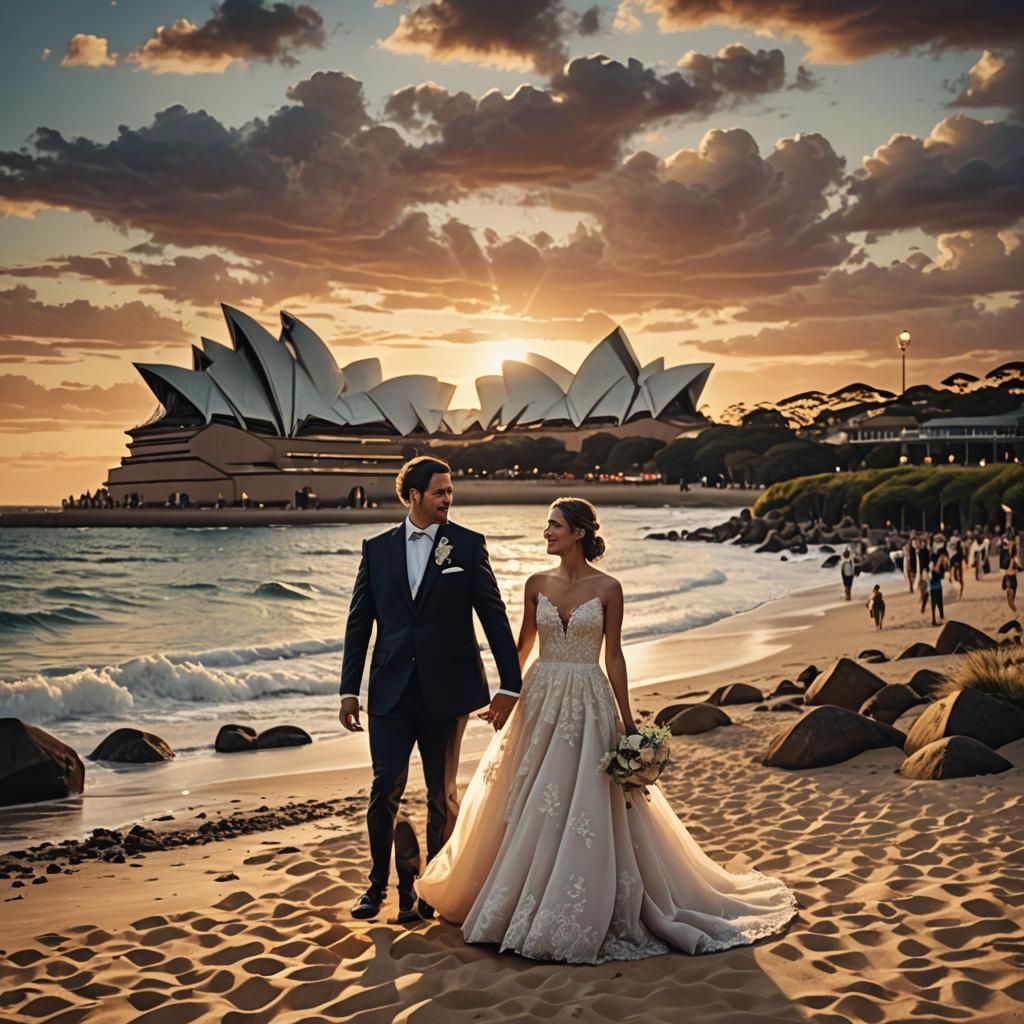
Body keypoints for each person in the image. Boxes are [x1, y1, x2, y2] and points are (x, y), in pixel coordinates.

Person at [415, 498, 797, 963]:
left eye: (554, 525)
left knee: (586, 798)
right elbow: (522, 647)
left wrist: (631, 723)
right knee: (526, 796)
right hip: (540, 698)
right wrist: (506, 696)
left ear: (578, 533)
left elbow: (613, 656)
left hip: (588, 699)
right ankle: (511, 900)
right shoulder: (535, 584)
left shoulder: (610, 588)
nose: (546, 533)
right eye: (546, 525)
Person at [339, 456, 523, 924]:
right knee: (385, 789)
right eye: (440, 492)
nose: (448, 499)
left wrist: (510, 684)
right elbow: (359, 623)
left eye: (450, 491)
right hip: (389, 692)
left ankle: (433, 887)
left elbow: (494, 615)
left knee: (441, 794)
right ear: (413, 495)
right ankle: (378, 884)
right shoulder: (376, 550)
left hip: (448, 691)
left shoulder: (467, 545)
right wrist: (348, 691)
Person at [929, 547, 950, 627]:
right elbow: (932, 571)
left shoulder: (940, 562)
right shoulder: (934, 559)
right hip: (933, 583)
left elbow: (942, 575)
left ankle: (938, 618)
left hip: (936, 583)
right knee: (936, 601)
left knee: (937, 601)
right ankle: (935, 619)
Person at [1003, 546, 1021, 614]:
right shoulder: (1007, 557)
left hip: (1012, 577)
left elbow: (1020, 567)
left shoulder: (1015, 558)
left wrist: (1015, 570)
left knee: (1011, 598)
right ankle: (1015, 612)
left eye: (1010, 549)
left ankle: (1015, 612)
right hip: (1007, 577)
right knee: (1009, 598)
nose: (1009, 549)